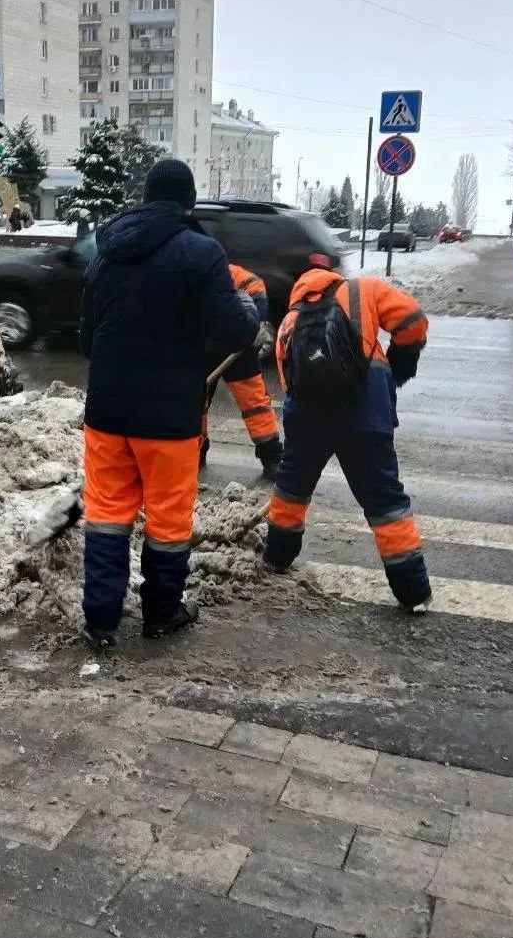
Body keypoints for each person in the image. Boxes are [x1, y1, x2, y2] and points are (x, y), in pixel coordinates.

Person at [80, 158, 259, 649]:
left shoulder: (107, 251)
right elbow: (235, 330)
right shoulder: (201, 253)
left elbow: (86, 338)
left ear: (145, 197)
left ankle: (100, 620)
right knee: (166, 519)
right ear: (189, 201)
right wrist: (247, 309)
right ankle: (161, 614)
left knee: (107, 512)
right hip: (169, 417)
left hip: (108, 411)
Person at [263, 258, 432, 614]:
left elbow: (287, 381)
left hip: (308, 418)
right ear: (332, 277)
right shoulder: (363, 291)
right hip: (365, 413)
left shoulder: (290, 321)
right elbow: (412, 321)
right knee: (384, 500)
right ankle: (412, 591)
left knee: (292, 488)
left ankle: (277, 556)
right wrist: (401, 361)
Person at [201, 263, 283, 480]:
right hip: (204, 344)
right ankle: (196, 452)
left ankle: (271, 456)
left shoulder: (229, 274)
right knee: (195, 401)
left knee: (254, 402)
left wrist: (256, 321)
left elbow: (256, 290)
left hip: (238, 345)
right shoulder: (184, 276)